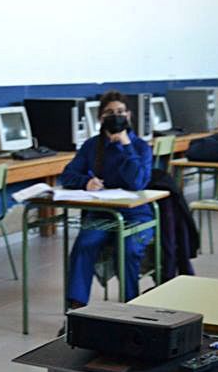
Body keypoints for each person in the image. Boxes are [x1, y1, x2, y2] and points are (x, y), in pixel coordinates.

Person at [59, 91, 154, 308]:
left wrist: (126, 146)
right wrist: (85, 182)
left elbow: (138, 182)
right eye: (110, 112)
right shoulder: (93, 146)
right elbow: (67, 175)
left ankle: (131, 306)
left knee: (129, 249)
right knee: (85, 244)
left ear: (129, 115)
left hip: (136, 215)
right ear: (101, 118)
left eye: (120, 112)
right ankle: (75, 308)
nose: (116, 116)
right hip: (103, 213)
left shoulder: (140, 147)